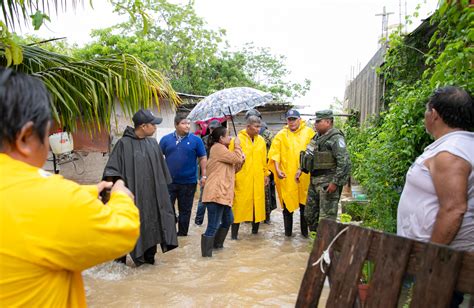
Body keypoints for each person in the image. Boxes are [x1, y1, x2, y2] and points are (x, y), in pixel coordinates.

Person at [0, 68, 140, 306]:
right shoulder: (50, 198)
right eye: (47, 134)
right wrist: (121, 197)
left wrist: (87, 192)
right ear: (25, 138)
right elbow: (123, 233)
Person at [397, 86, 473, 307]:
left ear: (435, 115)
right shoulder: (460, 145)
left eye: (426, 111)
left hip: (441, 264)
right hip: (439, 259)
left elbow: (454, 209)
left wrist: (428, 261)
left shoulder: (451, 153)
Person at [103, 109, 178, 266]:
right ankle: (119, 269)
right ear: (143, 126)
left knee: (152, 228)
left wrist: (166, 203)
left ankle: (148, 264)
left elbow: (162, 175)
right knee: (124, 236)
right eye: (153, 124)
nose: (156, 127)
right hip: (131, 200)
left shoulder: (153, 144)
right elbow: (112, 173)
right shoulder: (122, 145)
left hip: (152, 199)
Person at [297, 110, 351, 232]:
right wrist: (301, 169)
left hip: (328, 182)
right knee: (310, 214)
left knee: (327, 219)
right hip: (314, 180)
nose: (315, 124)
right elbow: (308, 154)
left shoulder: (336, 138)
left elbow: (344, 162)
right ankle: (315, 242)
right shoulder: (316, 137)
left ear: (328, 122)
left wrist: (335, 183)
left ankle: (327, 246)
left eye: (318, 121)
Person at [268, 109, 315, 237]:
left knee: (305, 206)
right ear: (286, 121)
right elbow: (274, 154)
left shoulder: (309, 133)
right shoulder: (281, 135)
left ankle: (305, 235)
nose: (292, 122)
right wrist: (277, 170)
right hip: (287, 176)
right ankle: (288, 236)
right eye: (289, 119)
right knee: (288, 206)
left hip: (305, 176)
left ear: (300, 119)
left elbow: (313, 152)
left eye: (294, 119)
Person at [160, 114, 207, 236]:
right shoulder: (165, 140)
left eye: (188, 123)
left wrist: (204, 175)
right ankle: (170, 232)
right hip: (169, 181)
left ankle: (182, 235)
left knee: (185, 210)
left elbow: (202, 157)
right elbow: (159, 158)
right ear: (176, 125)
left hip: (189, 182)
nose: (187, 126)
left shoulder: (196, 140)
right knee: (166, 208)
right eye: (184, 123)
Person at [201, 127, 244, 257]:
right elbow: (236, 159)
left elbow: (234, 169)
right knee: (213, 225)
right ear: (221, 138)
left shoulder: (223, 150)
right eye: (228, 135)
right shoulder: (218, 148)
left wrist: (242, 159)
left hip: (223, 194)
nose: (230, 138)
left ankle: (217, 246)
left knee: (228, 220)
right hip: (216, 194)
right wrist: (237, 146)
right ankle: (206, 256)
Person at [230, 115, 270, 239]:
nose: (258, 129)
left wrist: (266, 174)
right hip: (242, 178)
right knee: (238, 206)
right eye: (256, 126)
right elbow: (231, 160)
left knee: (257, 206)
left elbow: (264, 160)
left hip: (257, 177)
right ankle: (234, 235)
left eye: (259, 126)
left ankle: (255, 234)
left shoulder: (261, 141)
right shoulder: (237, 140)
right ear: (248, 126)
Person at [245, 109, 277, 223]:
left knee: (265, 193)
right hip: (251, 168)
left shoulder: (265, 134)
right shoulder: (244, 135)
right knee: (259, 194)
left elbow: (274, 149)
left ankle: (264, 217)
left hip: (264, 167)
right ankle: (255, 217)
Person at [195, 119, 222, 225]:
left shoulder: (224, 141)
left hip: (219, 173)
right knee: (203, 199)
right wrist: (201, 176)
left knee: (219, 198)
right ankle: (198, 222)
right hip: (207, 172)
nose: (213, 130)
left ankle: (217, 222)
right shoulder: (204, 140)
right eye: (211, 128)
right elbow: (201, 158)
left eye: (215, 128)